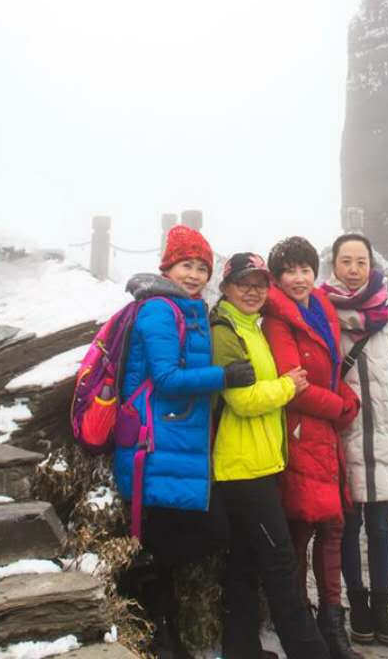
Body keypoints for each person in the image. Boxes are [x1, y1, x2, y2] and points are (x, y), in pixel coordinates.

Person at [114, 224, 255, 659]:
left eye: (201, 267)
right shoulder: (159, 310)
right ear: (167, 267)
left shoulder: (189, 309)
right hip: (153, 446)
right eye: (185, 265)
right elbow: (167, 379)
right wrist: (224, 377)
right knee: (181, 538)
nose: (194, 275)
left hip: (178, 444)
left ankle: (163, 628)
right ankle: (159, 629)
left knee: (184, 539)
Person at [209, 251, 330, 659]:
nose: (253, 290)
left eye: (260, 283)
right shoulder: (225, 329)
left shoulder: (252, 326)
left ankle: (240, 650)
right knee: (280, 565)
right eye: (243, 282)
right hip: (242, 468)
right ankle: (311, 652)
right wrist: (286, 387)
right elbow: (241, 400)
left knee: (244, 563)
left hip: (257, 462)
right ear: (225, 286)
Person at [263, 236, 364, 659]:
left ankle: (332, 629)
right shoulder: (276, 320)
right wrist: (342, 406)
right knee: (301, 529)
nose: (300, 278)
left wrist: (344, 397)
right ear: (277, 277)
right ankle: (304, 632)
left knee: (333, 529)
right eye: (290, 271)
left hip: (325, 437)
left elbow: (326, 372)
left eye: (306, 269)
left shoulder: (320, 309)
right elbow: (296, 386)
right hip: (301, 433)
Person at [320, 233, 388, 648]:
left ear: (371, 265)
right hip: (346, 432)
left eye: (361, 261)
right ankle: (356, 604)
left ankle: (381, 605)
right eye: (347, 261)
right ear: (335, 266)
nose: (354, 269)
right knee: (348, 524)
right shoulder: (323, 312)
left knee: (380, 526)